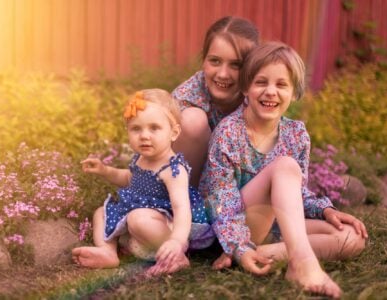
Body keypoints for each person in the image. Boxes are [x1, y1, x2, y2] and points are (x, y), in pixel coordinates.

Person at [199, 42, 368, 299]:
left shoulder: (296, 134)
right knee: (285, 166)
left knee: (352, 238)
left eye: (281, 85)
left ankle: (267, 254)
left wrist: (326, 210)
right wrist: (238, 244)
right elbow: (219, 202)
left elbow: (297, 194)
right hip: (236, 224)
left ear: (294, 93)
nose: (270, 92)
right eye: (261, 82)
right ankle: (302, 264)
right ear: (245, 88)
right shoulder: (228, 133)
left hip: (278, 229)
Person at [72, 89, 214, 276]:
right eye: (136, 128)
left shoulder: (173, 169)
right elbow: (130, 179)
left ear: (174, 132)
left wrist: (177, 241)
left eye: (154, 128)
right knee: (101, 213)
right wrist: (104, 170)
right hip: (143, 212)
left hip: (168, 223)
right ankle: (107, 252)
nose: (144, 136)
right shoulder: (141, 157)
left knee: (138, 219)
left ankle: (176, 257)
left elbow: (182, 209)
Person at [172, 16, 259, 187]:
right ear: (204, 60)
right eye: (215, 61)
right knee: (193, 121)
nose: (223, 74)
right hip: (178, 187)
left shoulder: (257, 96)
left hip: (232, 194)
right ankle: (186, 205)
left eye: (236, 65)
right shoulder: (186, 97)